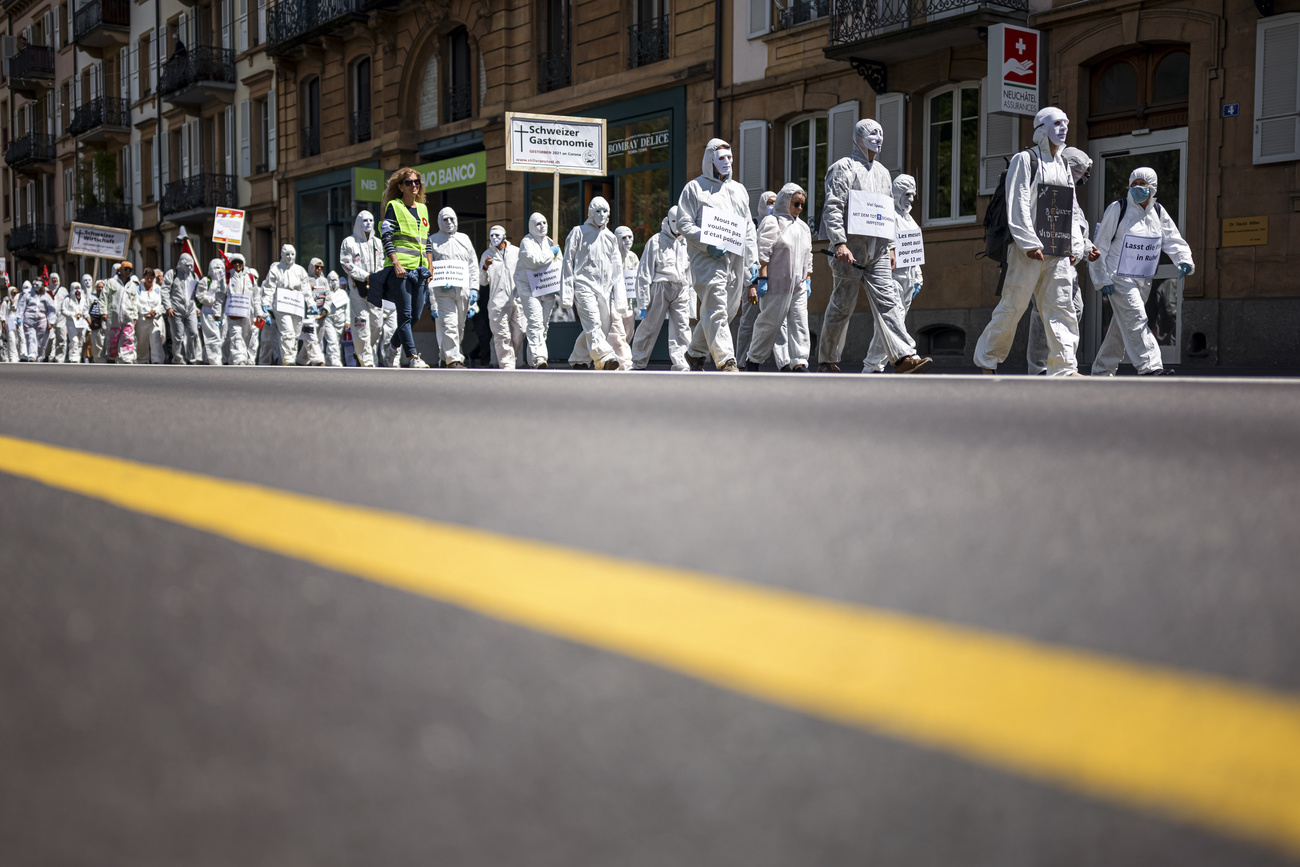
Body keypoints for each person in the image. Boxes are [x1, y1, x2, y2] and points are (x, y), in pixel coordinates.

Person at [973, 107, 1086, 376]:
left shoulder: (1063, 166)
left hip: (1057, 251)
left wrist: (1076, 246)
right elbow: (1018, 201)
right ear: (1041, 128)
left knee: (1062, 307)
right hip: (1028, 252)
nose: (1063, 128)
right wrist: (1028, 242)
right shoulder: (1025, 160)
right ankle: (987, 360)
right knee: (1014, 306)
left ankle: (1065, 368)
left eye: (1066, 123)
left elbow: (1070, 208)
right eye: (1057, 123)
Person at [821, 119, 930, 374]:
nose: (878, 138)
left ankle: (903, 356)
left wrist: (891, 246)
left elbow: (887, 213)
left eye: (881, 133)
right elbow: (833, 207)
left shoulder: (882, 173)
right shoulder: (842, 168)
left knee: (889, 301)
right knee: (841, 306)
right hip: (850, 251)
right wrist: (839, 242)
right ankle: (827, 359)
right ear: (859, 136)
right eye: (872, 133)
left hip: (878, 251)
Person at [1089, 167, 1193, 376]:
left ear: (1153, 187)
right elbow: (1100, 245)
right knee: (1137, 317)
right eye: (1134, 183)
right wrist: (1101, 278)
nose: (1137, 187)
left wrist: (1184, 260)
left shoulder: (1158, 212)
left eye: (1143, 184)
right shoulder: (1118, 208)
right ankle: (1151, 367)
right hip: (1118, 276)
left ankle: (1101, 371)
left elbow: (1172, 239)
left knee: (1121, 327)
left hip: (1143, 280)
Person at [675, 138, 758, 372]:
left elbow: (748, 229)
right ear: (710, 160)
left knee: (726, 309)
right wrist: (707, 243)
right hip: (707, 259)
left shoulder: (739, 190)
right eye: (722, 158)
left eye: (730, 158)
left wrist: (753, 261)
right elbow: (684, 223)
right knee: (716, 304)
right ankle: (725, 359)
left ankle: (695, 353)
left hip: (735, 259)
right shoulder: (695, 188)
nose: (727, 162)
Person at [1025, 147, 1096, 375]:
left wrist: (1087, 248)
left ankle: (1061, 363)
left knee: (1074, 308)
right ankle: (1041, 367)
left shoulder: (1071, 197)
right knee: (1042, 313)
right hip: (1049, 262)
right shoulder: (1050, 192)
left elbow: (1077, 232)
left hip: (1068, 266)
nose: (1083, 179)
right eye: (1082, 173)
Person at [744, 183, 813, 372]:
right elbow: (763, 252)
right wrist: (762, 278)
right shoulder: (772, 222)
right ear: (785, 201)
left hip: (797, 286)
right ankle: (754, 358)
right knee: (769, 324)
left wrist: (807, 278)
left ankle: (799, 362)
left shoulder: (803, 227)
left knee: (800, 323)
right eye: (795, 204)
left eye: (801, 205)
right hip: (776, 284)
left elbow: (809, 255)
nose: (799, 208)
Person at [373, 166, 433, 368]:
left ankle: (392, 347)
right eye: (409, 182)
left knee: (415, 316)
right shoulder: (394, 206)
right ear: (400, 186)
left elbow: (427, 241)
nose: (414, 185)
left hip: (420, 270)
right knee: (405, 315)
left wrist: (430, 267)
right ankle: (414, 357)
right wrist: (396, 263)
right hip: (400, 270)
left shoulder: (423, 208)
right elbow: (386, 236)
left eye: (417, 182)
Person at [863, 174, 925, 373]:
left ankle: (872, 366)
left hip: (908, 279)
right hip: (892, 277)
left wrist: (918, 277)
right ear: (897, 193)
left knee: (888, 324)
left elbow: (914, 251)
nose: (911, 199)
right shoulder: (889, 217)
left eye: (913, 195)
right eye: (907, 194)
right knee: (893, 320)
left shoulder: (911, 221)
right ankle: (908, 354)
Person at [563, 196, 623, 370]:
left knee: (603, 326)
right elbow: (567, 262)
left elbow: (617, 270)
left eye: (605, 211)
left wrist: (620, 300)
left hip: (604, 289)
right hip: (583, 285)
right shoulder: (578, 232)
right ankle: (605, 358)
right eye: (598, 211)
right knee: (593, 322)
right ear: (590, 212)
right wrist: (567, 294)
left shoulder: (611, 238)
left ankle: (579, 357)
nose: (602, 215)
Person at [631, 206, 693, 370]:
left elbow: (690, 272)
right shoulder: (656, 241)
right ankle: (638, 361)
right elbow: (644, 272)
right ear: (669, 221)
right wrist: (643, 302)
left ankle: (682, 362)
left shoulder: (686, 241)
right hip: (660, 287)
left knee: (682, 327)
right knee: (649, 326)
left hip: (681, 288)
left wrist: (691, 300)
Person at [340, 209, 394, 367]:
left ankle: (361, 352)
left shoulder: (378, 243)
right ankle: (367, 362)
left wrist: (380, 277)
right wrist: (365, 276)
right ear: (358, 222)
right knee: (361, 324)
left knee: (376, 324)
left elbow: (384, 262)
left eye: (371, 220)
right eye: (365, 220)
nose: (368, 223)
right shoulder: (349, 242)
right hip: (358, 289)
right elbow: (346, 263)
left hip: (376, 288)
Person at [427, 206, 478, 368]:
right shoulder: (433, 241)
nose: (449, 222)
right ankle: (453, 359)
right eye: (445, 219)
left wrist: (474, 289)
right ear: (439, 221)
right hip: (442, 292)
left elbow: (473, 266)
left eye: (452, 219)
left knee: (459, 326)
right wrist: (433, 300)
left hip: (462, 290)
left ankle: (445, 356)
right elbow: (429, 270)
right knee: (450, 324)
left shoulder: (464, 239)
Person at [513, 212, 562, 369]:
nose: (542, 226)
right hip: (528, 287)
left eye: (544, 223)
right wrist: (551, 253)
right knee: (535, 321)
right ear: (531, 226)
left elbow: (559, 266)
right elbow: (534, 261)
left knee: (543, 325)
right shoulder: (526, 242)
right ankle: (538, 358)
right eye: (538, 224)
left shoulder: (550, 242)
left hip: (546, 287)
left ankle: (534, 357)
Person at [480, 226, 521, 369]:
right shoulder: (487, 255)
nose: (494, 238)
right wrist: (485, 267)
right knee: (502, 335)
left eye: (497, 235)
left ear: (504, 236)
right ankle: (507, 366)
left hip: (517, 300)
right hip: (497, 302)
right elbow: (482, 281)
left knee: (520, 331)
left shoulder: (516, 252)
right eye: (491, 235)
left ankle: (510, 358)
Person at [261, 245, 309, 365]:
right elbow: (269, 288)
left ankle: (291, 357)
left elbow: (306, 288)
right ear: (282, 255)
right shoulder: (276, 270)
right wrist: (266, 302)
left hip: (297, 306)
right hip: (281, 305)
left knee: (296, 333)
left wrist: (311, 303)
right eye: (287, 254)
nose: (290, 257)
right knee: (287, 331)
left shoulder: (300, 270)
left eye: (292, 254)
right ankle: (288, 359)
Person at [164, 253, 202, 364]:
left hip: (190, 309)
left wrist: (197, 307)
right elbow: (165, 290)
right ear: (181, 263)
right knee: (178, 336)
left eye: (191, 265)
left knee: (193, 333)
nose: (189, 268)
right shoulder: (172, 274)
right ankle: (178, 358)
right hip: (176, 309)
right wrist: (168, 306)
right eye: (187, 265)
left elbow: (196, 294)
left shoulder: (194, 276)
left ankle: (192, 357)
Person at [609, 225, 639, 370]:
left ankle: (614, 359)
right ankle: (625, 364)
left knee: (628, 333)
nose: (627, 241)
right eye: (624, 238)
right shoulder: (610, 257)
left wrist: (638, 303)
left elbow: (636, 280)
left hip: (628, 302)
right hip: (613, 301)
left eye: (630, 237)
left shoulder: (633, 257)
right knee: (618, 333)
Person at [221, 253, 258, 365]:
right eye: (234, 262)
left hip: (248, 312)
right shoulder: (227, 277)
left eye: (239, 262)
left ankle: (235, 358)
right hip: (233, 312)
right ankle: (239, 358)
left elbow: (256, 297)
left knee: (246, 336)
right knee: (236, 335)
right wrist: (218, 313)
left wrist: (259, 312)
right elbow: (220, 296)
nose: (237, 265)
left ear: (243, 264)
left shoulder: (250, 277)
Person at [296, 257, 328, 366]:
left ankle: (301, 360)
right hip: (309, 315)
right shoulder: (305, 280)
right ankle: (318, 360)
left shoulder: (324, 281)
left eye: (321, 267)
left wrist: (326, 309)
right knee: (310, 337)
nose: (319, 269)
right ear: (311, 267)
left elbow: (329, 296)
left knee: (317, 339)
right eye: (317, 267)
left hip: (321, 315)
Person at [194, 258, 226, 365]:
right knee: (212, 336)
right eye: (217, 268)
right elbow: (200, 295)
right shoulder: (205, 281)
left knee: (221, 337)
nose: (219, 270)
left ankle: (207, 358)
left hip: (221, 313)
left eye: (222, 268)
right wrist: (213, 300)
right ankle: (215, 361)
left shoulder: (225, 282)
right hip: (209, 313)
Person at [105, 261, 138, 363]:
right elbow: (104, 297)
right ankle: (112, 357)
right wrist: (104, 312)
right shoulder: (111, 282)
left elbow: (135, 301)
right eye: (125, 269)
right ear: (120, 270)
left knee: (128, 337)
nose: (128, 272)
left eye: (130, 270)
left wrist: (135, 316)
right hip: (114, 315)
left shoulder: (132, 285)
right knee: (113, 338)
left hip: (128, 315)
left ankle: (126, 358)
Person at [134, 268, 167, 363]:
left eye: (151, 278)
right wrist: (147, 311)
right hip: (143, 320)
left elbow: (162, 303)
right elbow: (136, 303)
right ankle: (142, 360)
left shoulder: (158, 289)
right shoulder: (138, 289)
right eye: (147, 278)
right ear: (144, 277)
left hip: (155, 320)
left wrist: (154, 311)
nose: (149, 280)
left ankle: (157, 361)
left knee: (156, 341)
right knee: (141, 342)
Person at [18, 280, 54, 361]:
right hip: (29, 321)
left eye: (37, 284)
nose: (35, 286)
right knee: (31, 337)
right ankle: (32, 355)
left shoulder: (46, 296)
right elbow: (21, 307)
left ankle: (40, 355)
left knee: (41, 341)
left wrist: (51, 321)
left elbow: (52, 309)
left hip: (42, 321)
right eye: (34, 284)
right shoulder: (27, 295)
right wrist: (18, 317)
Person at [319, 270, 349, 367]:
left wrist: (348, 321)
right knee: (332, 341)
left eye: (335, 280)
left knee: (337, 342)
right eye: (331, 280)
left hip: (340, 321)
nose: (333, 282)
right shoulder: (325, 293)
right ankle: (336, 361)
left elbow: (347, 308)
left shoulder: (343, 293)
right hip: (328, 319)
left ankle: (329, 360)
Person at [60, 282, 89, 362]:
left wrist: (86, 316)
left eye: (78, 288)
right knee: (74, 340)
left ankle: (78, 357)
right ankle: (73, 357)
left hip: (81, 323)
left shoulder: (83, 299)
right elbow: (63, 310)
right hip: (71, 323)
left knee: (80, 341)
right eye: (75, 288)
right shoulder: (67, 299)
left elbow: (86, 309)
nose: (77, 290)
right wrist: (73, 315)